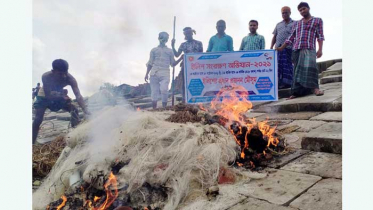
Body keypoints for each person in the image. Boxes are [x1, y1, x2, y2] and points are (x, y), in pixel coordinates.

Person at [32, 59, 90, 144]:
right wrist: (61, 96)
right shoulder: (46, 77)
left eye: (65, 73)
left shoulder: (70, 79)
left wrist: (85, 109)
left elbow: (78, 95)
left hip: (58, 94)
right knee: (38, 119)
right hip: (44, 96)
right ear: (53, 71)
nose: (63, 76)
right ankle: (32, 143)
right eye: (60, 74)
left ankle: (75, 135)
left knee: (74, 109)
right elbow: (48, 95)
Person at [277, 2, 325, 99]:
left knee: (311, 68)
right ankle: (296, 93)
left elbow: (320, 36)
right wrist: (281, 47)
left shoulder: (317, 20)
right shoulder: (297, 23)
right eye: (300, 10)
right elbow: (291, 37)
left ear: (308, 8)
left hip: (309, 48)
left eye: (304, 9)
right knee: (297, 71)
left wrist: (320, 49)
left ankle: (315, 88)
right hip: (296, 49)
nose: (302, 11)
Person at [171, 27, 203, 103]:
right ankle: (184, 98)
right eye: (186, 34)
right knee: (184, 83)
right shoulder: (183, 45)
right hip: (185, 66)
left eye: (189, 33)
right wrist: (173, 46)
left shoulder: (199, 43)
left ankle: (196, 97)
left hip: (196, 66)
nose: (187, 35)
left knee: (196, 81)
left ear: (192, 33)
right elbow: (176, 55)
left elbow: (201, 55)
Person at [145, 32, 176, 109]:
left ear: (167, 40)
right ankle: (154, 109)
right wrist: (146, 74)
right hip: (154, 72)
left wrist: (181, 58)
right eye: (162, 37)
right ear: (159, 38)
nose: (163, 39)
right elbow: (150, 63)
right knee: (154, 91)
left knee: (164, 89)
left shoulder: (170, 51)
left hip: (165, 72)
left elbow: (173, 63)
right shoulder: (154, 50)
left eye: (165, 38)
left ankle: (164, 107)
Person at [270, 7, 295, 89]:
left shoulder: (295, 23)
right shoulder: (278, 24)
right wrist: (271, 47)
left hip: (289, 48)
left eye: (286, 12)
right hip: (278, 49)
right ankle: (279, 83)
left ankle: (288, 83)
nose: (284, 14)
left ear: (290, 13)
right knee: (278, 66)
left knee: (288, 65)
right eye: (283, 13)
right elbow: (274, 36)